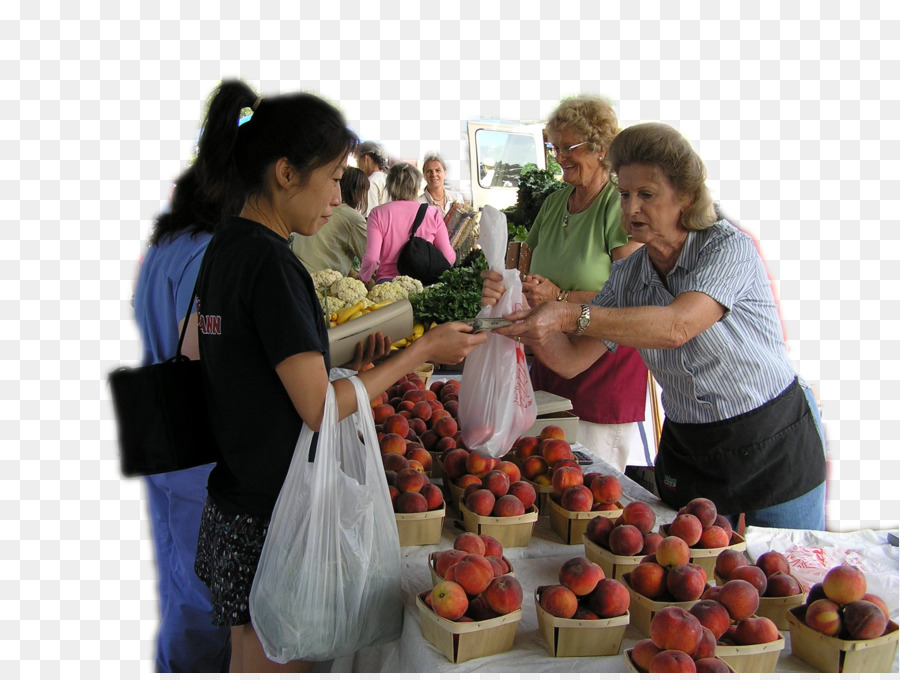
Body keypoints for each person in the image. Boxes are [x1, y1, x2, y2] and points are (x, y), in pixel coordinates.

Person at [190, 81, 487, 673]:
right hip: (278, 515)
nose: (338, 196)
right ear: (284, 173)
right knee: (281, 660)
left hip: (234, 503)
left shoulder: (227, 246)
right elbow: (319, 410)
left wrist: (347, 365)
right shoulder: (274, 265)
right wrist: (422, 347)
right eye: (330, 177)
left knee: (247, 654)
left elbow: (248, 367)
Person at [482, 122, 827, 531]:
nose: (630, 209)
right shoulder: (629, 276)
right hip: (693, 447)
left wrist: (568, 313)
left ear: (685, 196)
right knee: (698, 579)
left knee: (789, 575)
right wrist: (518, 311)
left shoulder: (725, 246)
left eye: (646, 195)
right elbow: (572, 360)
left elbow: (678, 326)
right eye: (625, 194)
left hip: (771, 437)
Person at [131, 85, 245, 672]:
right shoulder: (212, 251)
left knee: (182, 584)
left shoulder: (168, 242)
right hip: (197, 448)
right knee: (205, 598)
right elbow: (204, 346)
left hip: (164, 435)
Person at [519, 96, 646, 471]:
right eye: (554, 147)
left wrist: (559, 297)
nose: (559, 156)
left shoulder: (617, 206)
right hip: (549, 358)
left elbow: (632, 293)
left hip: (602, 368)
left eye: (568, 147)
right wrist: (508, 278)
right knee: (544, 476)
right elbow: (521, 261)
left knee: (592, 485)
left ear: (600, 148)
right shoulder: (555, 203)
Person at [359, 161, 456, 285]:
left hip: (389, 286)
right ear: (416, 186)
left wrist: (364, 279)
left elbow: (372, 258)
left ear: (389, 186)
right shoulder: (432, 214)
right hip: (423, 285)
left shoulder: (377, 214)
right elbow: (448, 258)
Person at [289, 166, 369, 276]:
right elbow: (371, 259)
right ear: (359, 192)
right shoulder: (352, 218)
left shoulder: (317, 207)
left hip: (295, 272)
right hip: (321, 284)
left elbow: (325, 251)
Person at [418, 152, 463, 217]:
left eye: (437, 170)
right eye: (429, 171)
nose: (433, 174)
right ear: (424, 175)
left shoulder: (457, 198)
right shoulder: (419, 203)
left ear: (445, 173)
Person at [355, 140, 389, 216]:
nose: (358, 165)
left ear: (365, 158)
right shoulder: (387, 178)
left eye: (358, 160)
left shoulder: (370, 182)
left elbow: (369, 215)